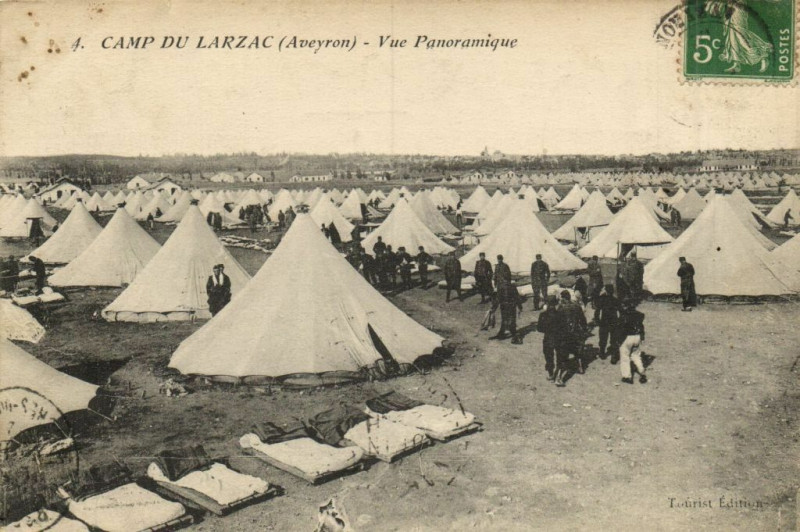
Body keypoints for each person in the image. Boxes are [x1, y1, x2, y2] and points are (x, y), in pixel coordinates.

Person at [556, 290, 588, 382]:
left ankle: (559, 378)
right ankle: (580, 368)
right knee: (577, 351)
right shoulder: (576, 306)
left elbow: (557, 322)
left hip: (565, 333)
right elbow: (583, 320)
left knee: (563, 354)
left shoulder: (561, 308)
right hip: (576, 332)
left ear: (562, 298)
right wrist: (584, 329)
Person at [617, 300, 647, 384]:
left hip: (627, 337)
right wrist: (642, 336)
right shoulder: (640, 315)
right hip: (637, 337)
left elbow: (621, 328)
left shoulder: (624, 316)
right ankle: (642, 372)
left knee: (625, 357)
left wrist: (619, 340)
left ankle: (627, 377)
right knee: (636, 356)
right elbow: (641, 326)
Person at [593, 284, 621, 361]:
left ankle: (602, 353)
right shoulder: (615, 300)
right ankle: (614, 356)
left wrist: (597, 321)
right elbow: (620, 311)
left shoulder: (601, 299)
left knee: (603, 339)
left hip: (604, 322)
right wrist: (619, 321)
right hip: (614, 322)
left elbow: (597, 311)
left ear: (606, 291)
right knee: (614, 339)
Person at [537, 295, 561, 381]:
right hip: (558, 338)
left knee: (548, 356)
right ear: (555, 304)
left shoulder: (543, 315)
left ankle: (551, 373)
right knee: (559, 355)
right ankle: (559, 374)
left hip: (548, 338)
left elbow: (539, 329)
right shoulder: (560, 314)